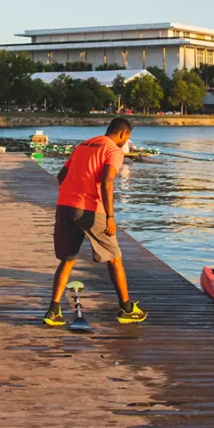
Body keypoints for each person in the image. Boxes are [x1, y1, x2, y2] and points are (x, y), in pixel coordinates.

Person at [44, 118, 147, 326]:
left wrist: (73, 193)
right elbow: (107, 182)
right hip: (90, 208)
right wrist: (110, 216)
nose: (126, 141)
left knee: (68, 259)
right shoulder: (113, 151)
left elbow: (61, 175)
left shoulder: (83, 145)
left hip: (65, 205)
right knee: (115, 257)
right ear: (123, 134)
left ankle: (53, 311)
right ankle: (126, 309)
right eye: (127, 137)